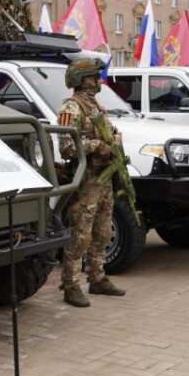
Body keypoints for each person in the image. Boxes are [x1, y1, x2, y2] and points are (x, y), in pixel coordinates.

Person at [58, 58, 125, 308]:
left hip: (103, 178)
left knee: (103, 231)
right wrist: (96, 145)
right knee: (81, 233)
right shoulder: (71, 107)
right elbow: (65, 147)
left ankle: (97, 277)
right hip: (86, 180)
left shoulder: (97, 105)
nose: (98, 80)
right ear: (80, 79)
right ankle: (71, 284)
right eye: (93, 76)